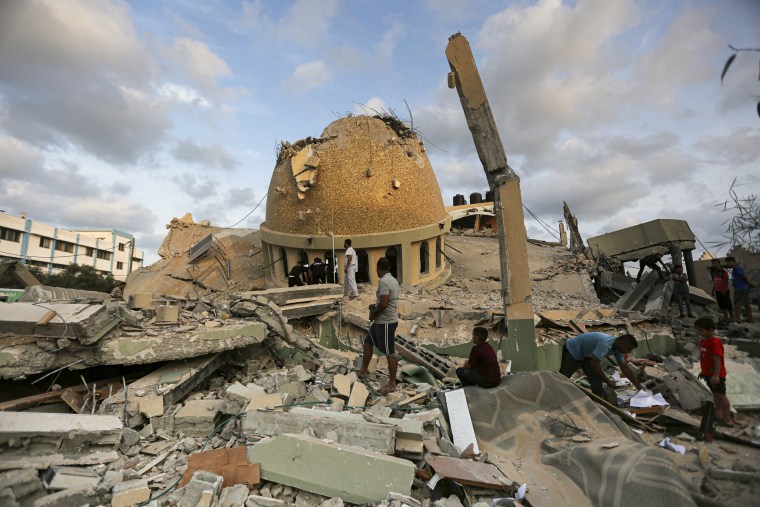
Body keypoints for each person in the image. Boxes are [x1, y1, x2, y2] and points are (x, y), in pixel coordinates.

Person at [358, 257, 399, 395]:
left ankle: (392, 383)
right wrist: (375, 308)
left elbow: (384, 303)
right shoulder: (393, 280)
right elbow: (384, 301)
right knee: (368, 342)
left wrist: (373, 314)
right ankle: (363, 370)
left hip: (386, 322)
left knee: (389, 352)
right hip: (380, 321)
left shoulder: (384, 282)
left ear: (378, 268)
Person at [559, 332, 644, 397]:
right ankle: (556, 397)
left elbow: (625, 368)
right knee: (563, 378)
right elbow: (594, 364)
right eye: (628, 349)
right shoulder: (605, 344)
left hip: (587, 354)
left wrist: (639, 387)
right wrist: (607, 381)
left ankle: (599, 403)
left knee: (596, 380)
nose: (628, 352)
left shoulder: (619, 350)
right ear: (621, 343)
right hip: (573, 350)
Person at [696, 317, 733, 427]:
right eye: (698, 330)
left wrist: (716, 375)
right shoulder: (704, 342)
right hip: (708, 374)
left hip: (717, 375)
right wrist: (703, 371)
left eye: (702, 330)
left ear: (711, 330)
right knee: (716, 395)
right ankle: (719, 415)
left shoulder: (715, 342)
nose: (699, 332)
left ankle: (728, 419)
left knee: (721, 396)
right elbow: (705, 358)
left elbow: (717, 359)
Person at [725, 256, 754, 323]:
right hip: (743, 288)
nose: (728, 264)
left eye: (729, 262)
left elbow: (743, 276)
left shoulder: (736, 268)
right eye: (727, 262)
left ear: (734, 262)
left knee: (737, 303)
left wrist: (749, 284)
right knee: (746, 303)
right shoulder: (736, 269)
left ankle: (738, 319)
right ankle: (750, 318)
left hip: (739, 289)